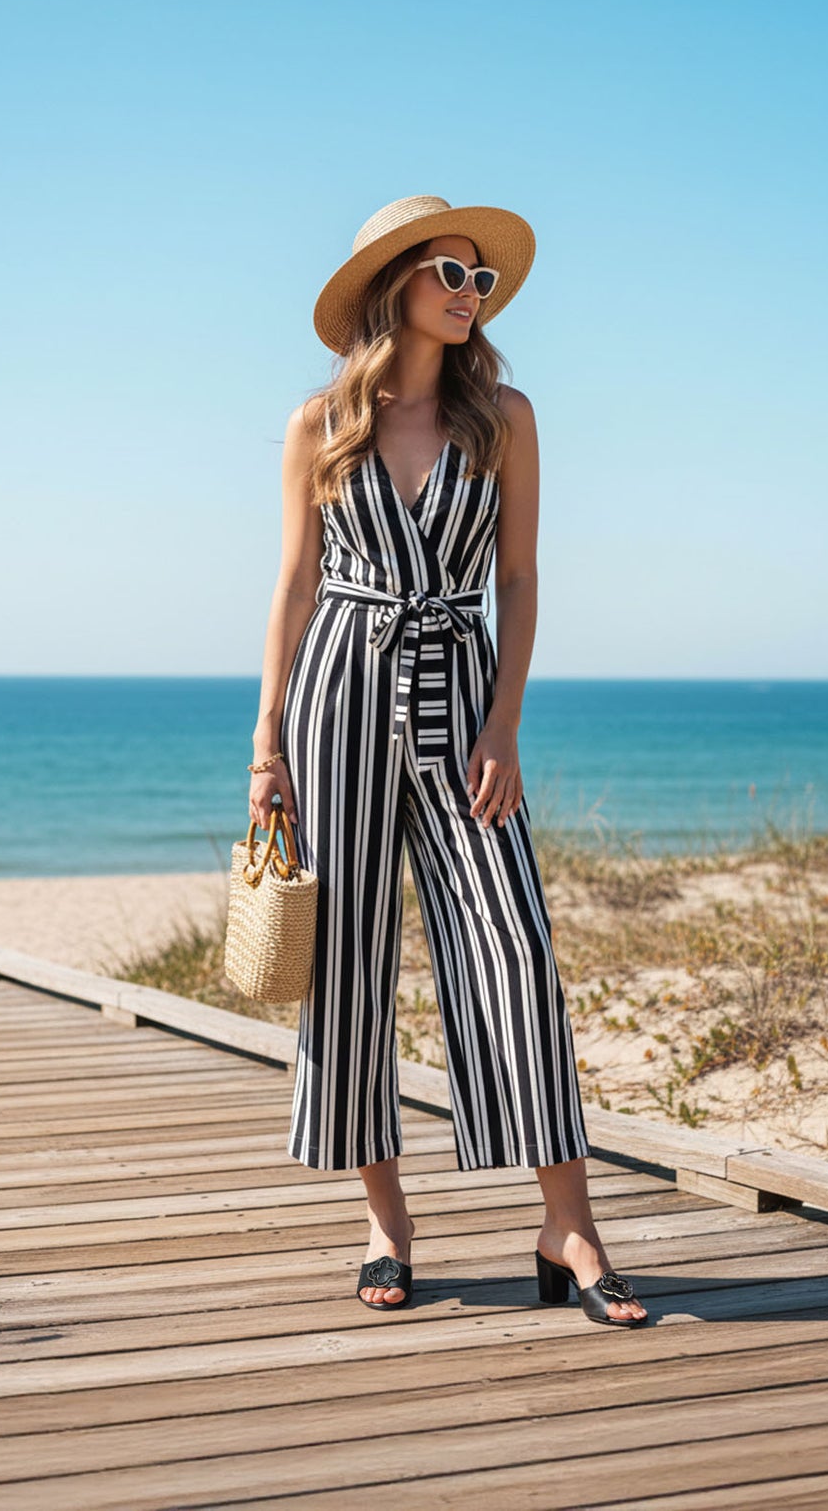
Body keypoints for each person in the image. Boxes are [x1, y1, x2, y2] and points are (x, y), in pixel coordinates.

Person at [247, 195, 647, 1329]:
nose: (472, 293)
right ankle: (385, 1220)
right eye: (450, 272)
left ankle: (564, 1223)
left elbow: (515, 580)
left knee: (514, 947)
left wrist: (504, 720)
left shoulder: (503, 417)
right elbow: (294, 584)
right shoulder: (317, 423)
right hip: (337, 697)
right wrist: (266, 738)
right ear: (394, 286)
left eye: (482, 280)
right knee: (351, 965)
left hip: (464, 693)